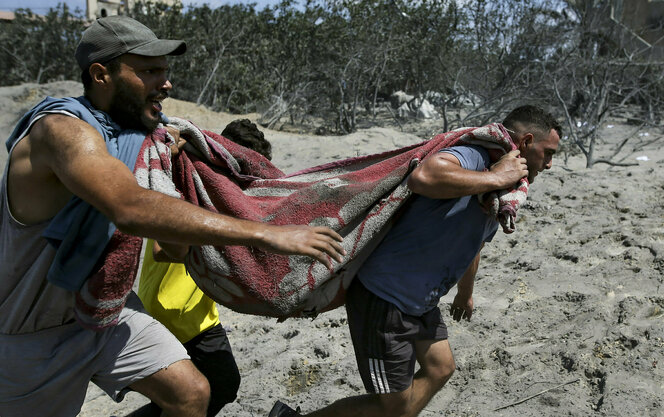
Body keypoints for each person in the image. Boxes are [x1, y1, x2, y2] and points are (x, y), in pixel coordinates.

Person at [0, 16, 344, 417]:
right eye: (148, 71)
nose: (165, 83)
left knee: (192, 392)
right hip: (31, 331)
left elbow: (151, 148)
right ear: (100, 74)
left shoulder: (133, 133)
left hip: (107, 310)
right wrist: (265, 234)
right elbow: (128, 206)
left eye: (165, 71)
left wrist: (168, 144)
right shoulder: (60, 131)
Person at [270, 105, 561, 417]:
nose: (549, 164)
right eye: (547, 153)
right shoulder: (477, 158)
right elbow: (424, 176)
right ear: (527, 142)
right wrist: (495, 176)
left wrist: (465, 294)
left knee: (440, 369)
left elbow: (472, 244)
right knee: (391, 405)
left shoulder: (502, 193)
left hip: (421, 301)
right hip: (385, 297)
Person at [130, 119, 270, 416]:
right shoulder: (189, 188)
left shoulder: (204, 190)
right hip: (177, 309)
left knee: (188, 393)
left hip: (191, 307)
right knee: (221, 383)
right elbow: (160, 249)